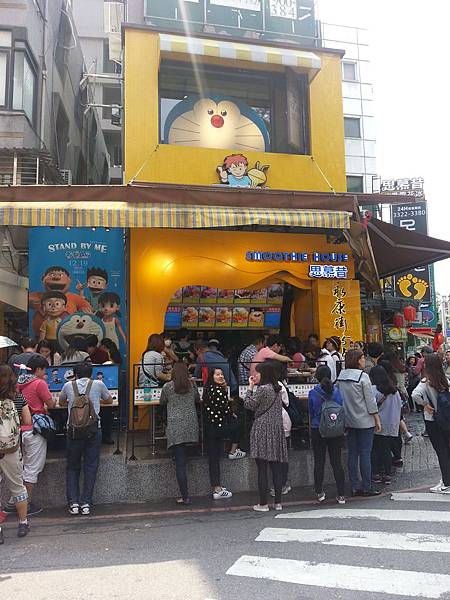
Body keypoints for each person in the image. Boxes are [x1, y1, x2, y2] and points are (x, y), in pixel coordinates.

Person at [59, 361, 113, 514]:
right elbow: (109, 400)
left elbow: (61, 402)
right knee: (91, 466)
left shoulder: (68, 385)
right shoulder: (98, 384)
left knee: (72, 467)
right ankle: (86, 503)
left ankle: (73, 503)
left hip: (73, 431)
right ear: (91, 373)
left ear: (75, 374)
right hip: (93, 430)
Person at [336, 349, 381, 497]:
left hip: (348, 420)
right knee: (365, 453)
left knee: (352, 454)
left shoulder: (341, 377)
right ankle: (367, 486)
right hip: (365, 420)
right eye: (362, 358)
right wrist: (377, 418)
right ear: (357, 360)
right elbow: (370, 401)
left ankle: (354, 486)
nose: (363, 361)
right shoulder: (363, 377)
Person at [244, 361, 288, 512]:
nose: (255, 375)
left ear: (264, 374)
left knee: (262, 468)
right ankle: (278, 503)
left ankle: (263, 504)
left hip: (262, 429)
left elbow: (248, 405)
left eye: (257, 372)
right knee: (276, 468)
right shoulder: (277, 388)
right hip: (276, 429)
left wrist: (250, 388)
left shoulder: (262, 389)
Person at [16, 355, 55, 513]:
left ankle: (18, 502)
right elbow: (51, 404)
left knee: (24, 466)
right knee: (32, 469)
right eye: (44, 370)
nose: (45, 374)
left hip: (21, 429)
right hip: (35, 429)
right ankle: (26, 506)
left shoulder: (19, 383)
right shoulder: (39, 383)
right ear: (38, 369)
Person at [159, 362, 200, 505]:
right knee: (182, 457)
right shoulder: (192, 385)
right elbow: (197, 400)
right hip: (191, 425)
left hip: (176, 427)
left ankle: (185, 496)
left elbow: (162, 402)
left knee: (180, 463)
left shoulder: (167, 387)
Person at [203, 368, 245, 500]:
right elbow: (224, 409)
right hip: (218, 427)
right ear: (212, 376)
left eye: (221, 374)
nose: (221, 376)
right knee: (240, 423)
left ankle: (216, 488)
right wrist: (225, 390)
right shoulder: (219, 390)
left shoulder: (207, 389)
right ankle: (233, 451)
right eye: (217, 374)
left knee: (213, 458)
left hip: (210, 428)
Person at [0, 365, 31, 541]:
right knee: (18, 487)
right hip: (11, 450)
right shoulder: (18, 397)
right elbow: (28, 420)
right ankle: (23, 523)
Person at [412, 354, 450, 494]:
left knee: (441, 451)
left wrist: (425, 404)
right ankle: (446, 479)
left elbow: (415, 395)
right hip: (446, 419)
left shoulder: (425, 382)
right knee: (447, 449)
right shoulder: (446, 380)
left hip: (433, 420)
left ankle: (447, 483)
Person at [308, 365, 346, 504]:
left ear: (317, 377)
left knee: (319, 462)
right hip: (335, 429)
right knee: (336, 462)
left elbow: (311, 411)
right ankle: (341, 494)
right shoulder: (337, 392)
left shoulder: (313, 393)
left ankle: (319, 492)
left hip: (318, 428)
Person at [369, 365, 402, 485]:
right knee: (386, 449)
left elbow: (371, 406)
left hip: (377, 424)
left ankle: (376, 473)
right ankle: (388, 474)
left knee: (375, 450)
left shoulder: (373, 390)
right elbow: (399, 407)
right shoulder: (394, 390)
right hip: (392, 424)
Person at [382, 353, 413, 444]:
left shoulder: (391, 372)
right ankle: (405, 433)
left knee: (397, 416)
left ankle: (402, 434)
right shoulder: (401, 369)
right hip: (402, 394)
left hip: (395, 394)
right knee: (399, 416)